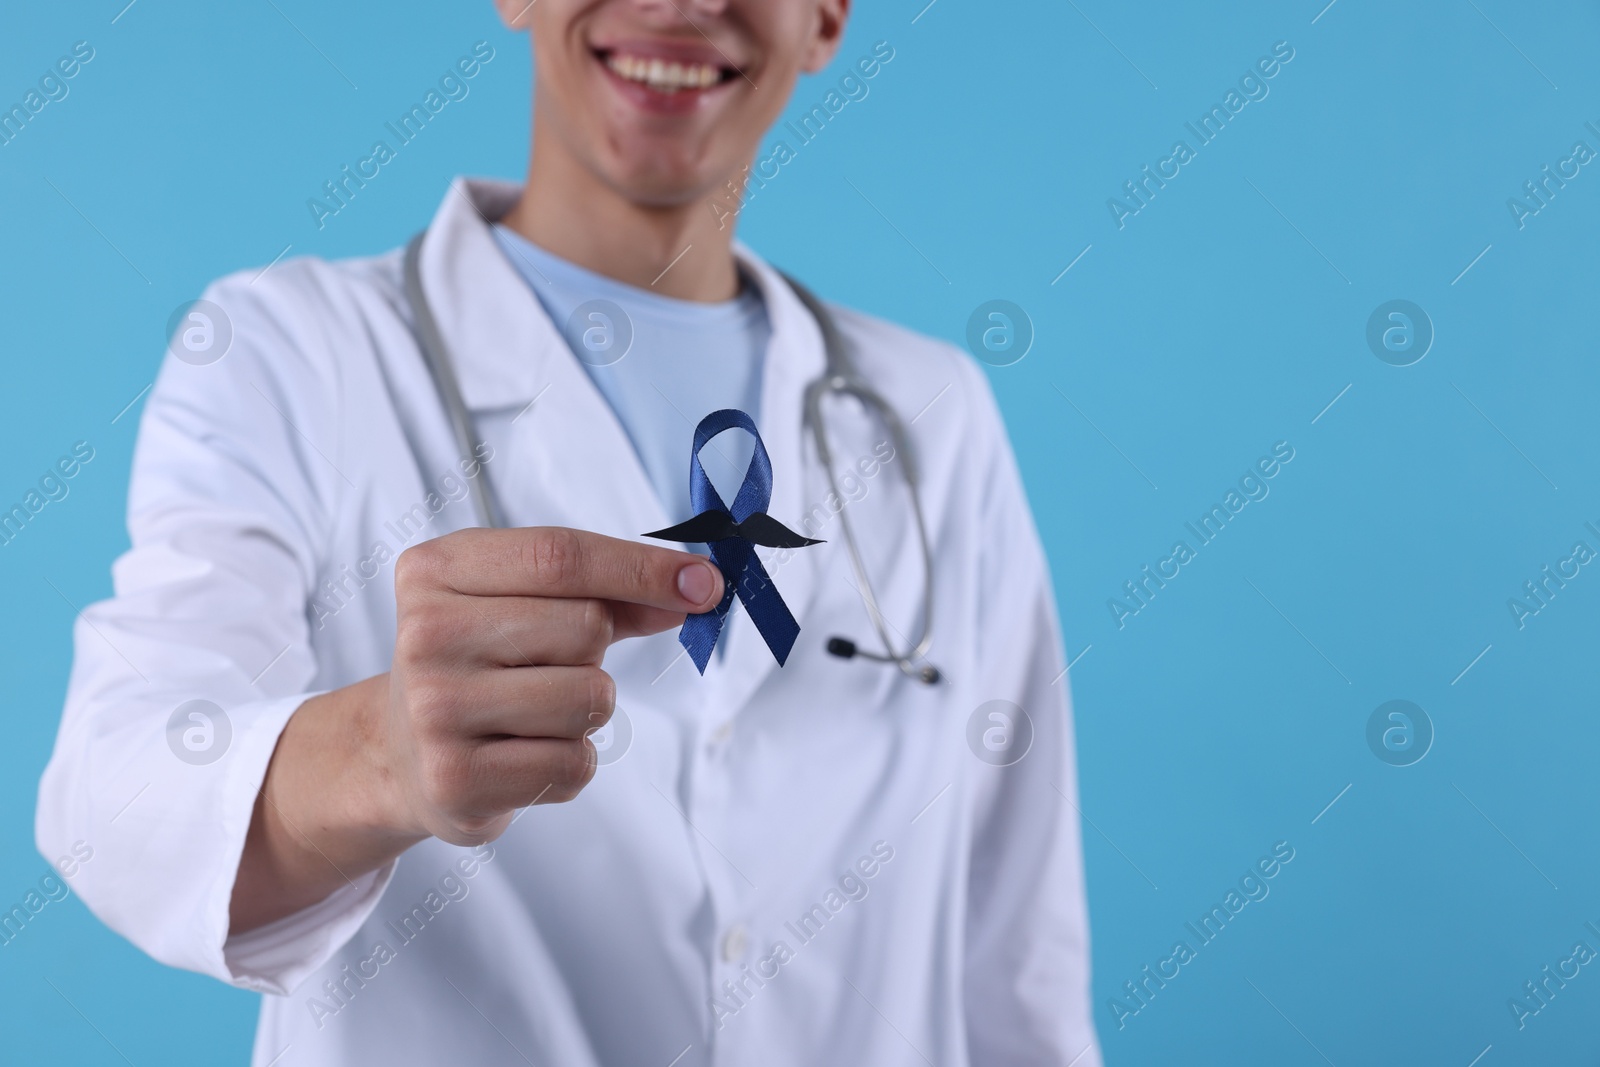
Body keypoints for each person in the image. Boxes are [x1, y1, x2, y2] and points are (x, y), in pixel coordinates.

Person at [37, 0, 1101, 1063]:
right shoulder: (293, 350)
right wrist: (380, 754)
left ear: (826, 19)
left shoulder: (928, 412)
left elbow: (1018, 958)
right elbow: (112, 794)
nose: (683, 5)